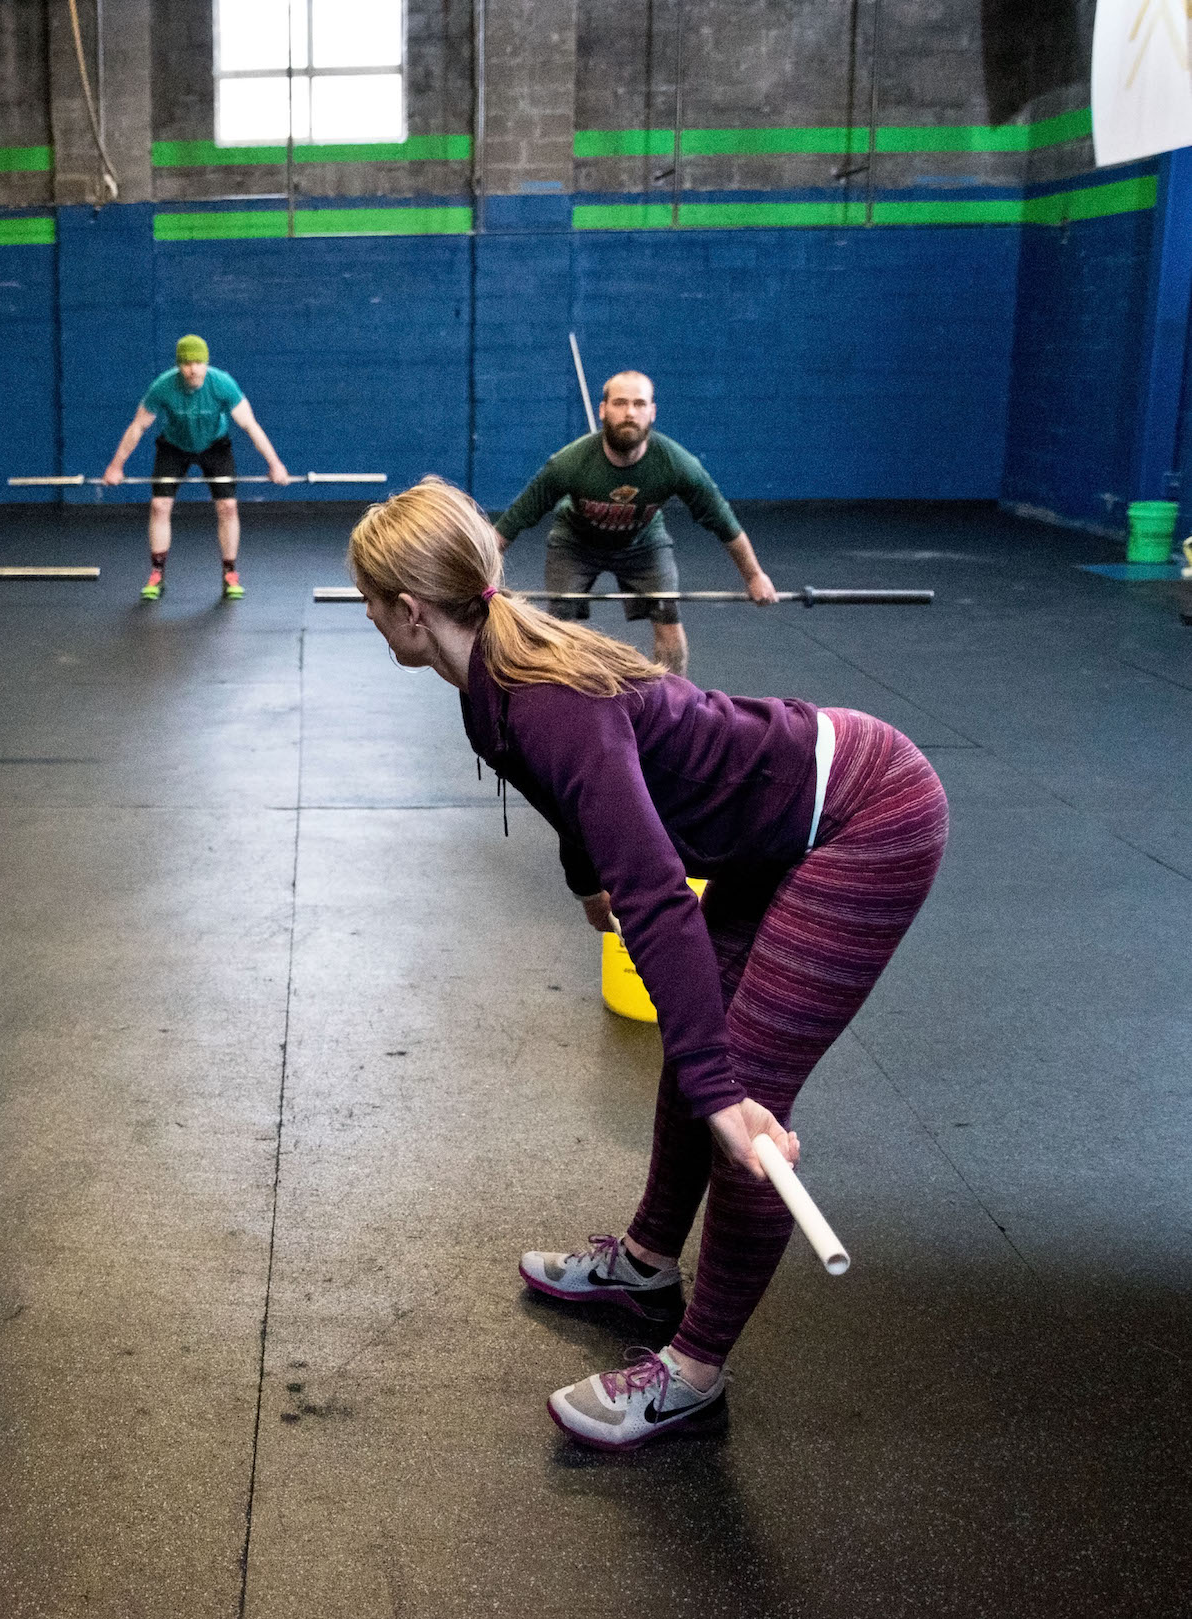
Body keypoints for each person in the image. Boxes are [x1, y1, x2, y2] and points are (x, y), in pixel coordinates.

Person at [349, 478, 948, 1451]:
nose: (371, 622)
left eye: (372, 605)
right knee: (700, 1046)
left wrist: (720, 1089)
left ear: (409, 610)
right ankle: (643, 1262)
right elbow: (576, 796)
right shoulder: (488, 681)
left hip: (863, 812)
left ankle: (692, 1369)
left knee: (740, 1103)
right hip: (772, 817)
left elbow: (660, 895)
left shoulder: (539, 697)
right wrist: (583, 871)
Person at [493, 370, 777, 673]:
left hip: (643, 544)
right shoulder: (568, 464)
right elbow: (512, 523)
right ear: (603, 410)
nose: (630, 412)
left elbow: (724, 524)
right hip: (576, 543)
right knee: (558, 623)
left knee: (668, 617)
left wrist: (754, 576)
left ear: (652, 412)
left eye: (639, 404)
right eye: (620, 403)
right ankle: (560, 698)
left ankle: (675, 704)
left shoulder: (677, 464)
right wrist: (475, 575)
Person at [103, 335, 290, 601]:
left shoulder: (222, 384)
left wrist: (275, 465)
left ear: (206, 363)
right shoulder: (163, 386)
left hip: (215, 445)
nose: (193, 369)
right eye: (187, 363)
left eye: (198, 362)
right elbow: (138, 426)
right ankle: (157, 574)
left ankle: (230, 574)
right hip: (174, 447)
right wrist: (115, 466)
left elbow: (250, 425)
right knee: (159, 506)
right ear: (179, 365)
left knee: (227, 507)